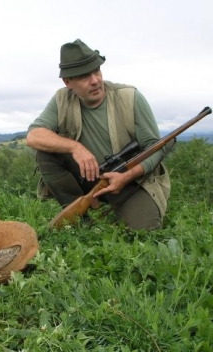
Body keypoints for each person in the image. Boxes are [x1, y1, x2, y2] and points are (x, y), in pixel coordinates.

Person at [26, 39, 170, 231]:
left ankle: (111, 205)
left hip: (130, 179)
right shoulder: (61, 99)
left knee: (145, 231)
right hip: (87, 178)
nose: (95, 80)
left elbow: (155, 147)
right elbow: (34, 136)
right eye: (84, 76)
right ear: (68, 82)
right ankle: (79, 215)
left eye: (97, 71)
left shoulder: (130, 97)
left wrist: (127, 176)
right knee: (45, 152)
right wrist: (75, 147)